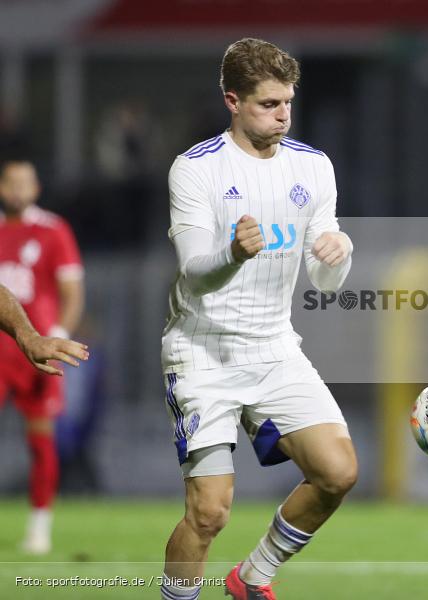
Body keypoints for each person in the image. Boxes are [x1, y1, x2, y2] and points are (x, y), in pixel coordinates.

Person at [160, 38, 357, 600]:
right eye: (269, 104)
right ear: (232, 101)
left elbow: (323, 279)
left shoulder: (313, 167)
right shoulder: (195, 170)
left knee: (338, 472)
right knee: (210, 512)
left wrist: (337, 256)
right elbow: (194, 272)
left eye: (288, 103)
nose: (283, 115)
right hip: (203, 351)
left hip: (274, 348)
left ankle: (252, 579)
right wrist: (233, 253)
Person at [0, 159, 86, 554]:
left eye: (25, 183)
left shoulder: (53, 230)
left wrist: (59, 334)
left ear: (36, 188)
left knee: (40, 439)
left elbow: (72, 292)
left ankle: (39, 528)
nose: (18, 190)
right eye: (10, 182)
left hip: (37, 350)